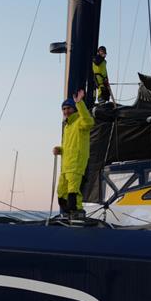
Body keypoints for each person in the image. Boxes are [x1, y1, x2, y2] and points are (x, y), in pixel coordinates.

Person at [53, 89, 94, 218]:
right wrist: (60, 149)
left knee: (73, 193)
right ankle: (67, 213)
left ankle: (77, 212)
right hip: (65, 166)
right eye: (64, 109)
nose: (66, 111)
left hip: (76, 165)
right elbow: (69, 145)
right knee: (61, 192)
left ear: (74, 109)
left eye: (69, 108)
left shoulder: (80, 122)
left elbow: (89, 122)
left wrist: (79, 103)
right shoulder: (67, 126)